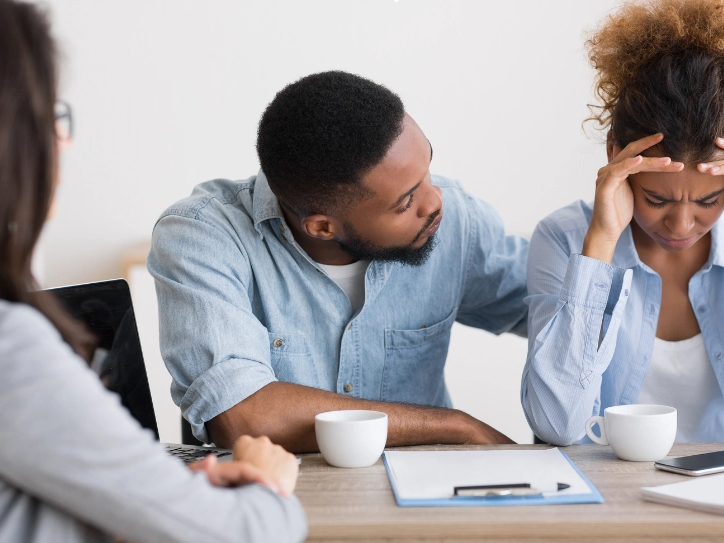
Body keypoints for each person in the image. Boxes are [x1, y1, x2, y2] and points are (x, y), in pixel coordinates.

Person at [0, 1, 305, 542]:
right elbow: (238, 535)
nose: (62, 141)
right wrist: (266, 487)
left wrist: (147, 493)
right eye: (48, 115)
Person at [521, 0, 724, 447]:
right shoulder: (565, 240)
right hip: (607, 504)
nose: (680, 224)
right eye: (656, 198)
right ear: (616, 157)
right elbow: (555, 425)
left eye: (709, 200)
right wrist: (600, 244)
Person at [148, 71, 528, 452]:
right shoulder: (202, 236)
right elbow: (244, 416)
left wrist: (589, 242)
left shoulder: (455, 219)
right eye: (406, 202)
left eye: (427, 169)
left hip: (423, 496)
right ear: (323, 227)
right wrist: (455, 426)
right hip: (286, 499)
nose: (435, 202)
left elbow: (556, 308)